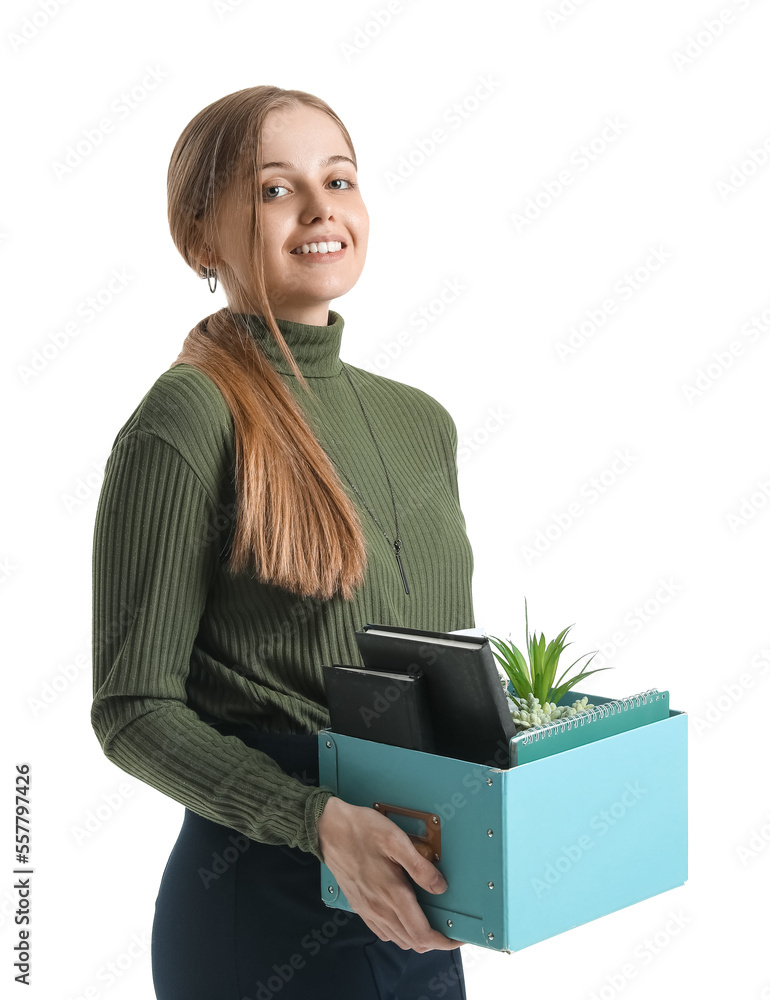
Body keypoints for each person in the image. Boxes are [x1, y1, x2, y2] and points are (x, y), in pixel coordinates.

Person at [90, 84, 476, 1000]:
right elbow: (133, 708)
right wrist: (313, 820)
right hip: (262, 907)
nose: (319, 209)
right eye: (274, 189)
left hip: (418, 897)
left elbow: (443, 664)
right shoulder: (188, 417)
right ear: (199, 238)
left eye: (338, 178)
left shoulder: (422, 422)